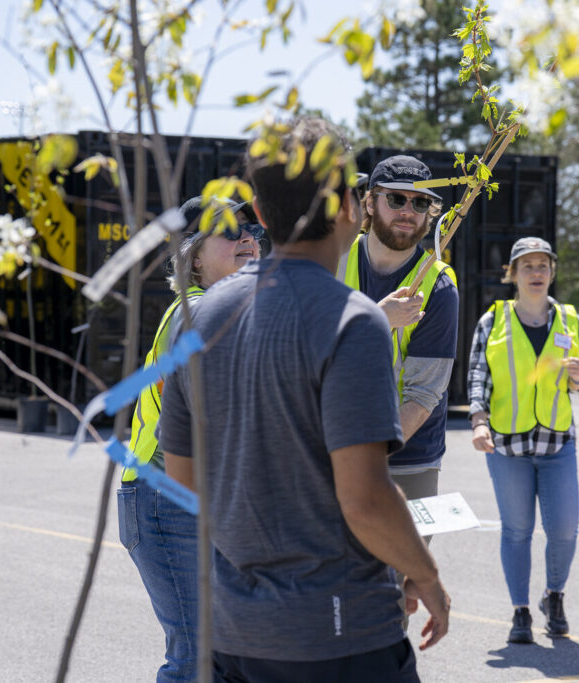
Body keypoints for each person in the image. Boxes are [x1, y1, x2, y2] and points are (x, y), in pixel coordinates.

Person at [159, 116, 450, 681]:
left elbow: (184, 482)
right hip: (340, 637)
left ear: (262, 215)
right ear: (352, 206)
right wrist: (425, 573)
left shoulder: (203, 317)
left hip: (237, 633)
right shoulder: (353, 320)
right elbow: (365, 497)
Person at [117, 196, 262, 682]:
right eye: (229, 231)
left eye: (251, 231)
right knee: (198, 660)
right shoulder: (195, 311)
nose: (247, 238)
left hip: (193, 502)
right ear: (194, 256)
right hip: (164, 501)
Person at [466, 236, 579, 645]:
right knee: (517, 530)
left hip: (557, 444)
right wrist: (479, 422)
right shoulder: (492, 321)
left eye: (543, 266)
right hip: (508, 447)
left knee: (565, 529)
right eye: (527, 266)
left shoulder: (570, 320)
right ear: (512, 274)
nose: (536, 273)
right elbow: (478, 376)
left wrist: (577, 378)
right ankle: (520, 611)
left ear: (552, 272)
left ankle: (553, 596)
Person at [336, 154, 459, 507]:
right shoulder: (334, 262)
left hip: (409, 463)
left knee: (405, 565)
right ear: (371, 202)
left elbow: (422, 396)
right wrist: (378, 319)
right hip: (331, 451)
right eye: (396, 199)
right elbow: (307, 352)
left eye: (420, 202)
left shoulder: (438, 288)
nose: (408, 211)